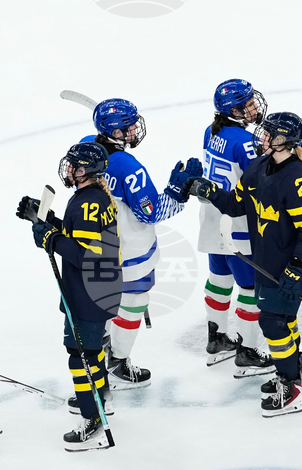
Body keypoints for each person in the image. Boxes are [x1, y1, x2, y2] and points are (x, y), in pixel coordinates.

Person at [188, 112, 302, 417]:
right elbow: (237, 205)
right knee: (283, 321)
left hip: (288, 265)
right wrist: (209, 191)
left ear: (284, 141)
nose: (261, 138)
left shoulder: (300, 178)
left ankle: (292, 387)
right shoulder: (259, 166)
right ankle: (290, 373)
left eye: (269, 134)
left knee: (273, 322)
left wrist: (298, 266)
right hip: (265, 259)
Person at [83, 98, 201, 389]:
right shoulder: (128, 166)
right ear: (115, 131)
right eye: (128, 126)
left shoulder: (85, 147)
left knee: (102, 304)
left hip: (94, 248)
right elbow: (152, 213)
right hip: (131, 252)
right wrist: (177, 192)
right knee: (133, 303)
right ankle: (118, 364)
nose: (135, 129)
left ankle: (101, 351)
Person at [17, 142, 122, 450]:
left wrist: (50, 239)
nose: (69, 170)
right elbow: (79, 235)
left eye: (74, 166)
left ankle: (93, 421)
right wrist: (45, 218)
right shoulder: (93, 198)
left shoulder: (89, 202)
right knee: (92, 350)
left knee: (81, 356)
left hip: (88, 289)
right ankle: (98, 395)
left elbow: (85, 254)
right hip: (97, 287)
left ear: (86, 170)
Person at [200, 79, 276, 377]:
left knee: (218, 280)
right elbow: (264, 178)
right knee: (249, 288)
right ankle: (246, 351)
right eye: (246, 104)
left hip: (212, 220)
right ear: (232, 110)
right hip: (238, 225)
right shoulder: (244, 142)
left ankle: (217, 339)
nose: (253, 107)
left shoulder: (213, 131)